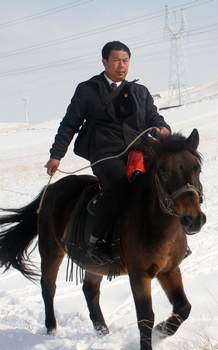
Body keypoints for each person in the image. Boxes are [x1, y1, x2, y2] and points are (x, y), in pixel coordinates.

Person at [45, 41, 171, 264]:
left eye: (125, 60)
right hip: (105, 153)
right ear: (104, 62)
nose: (121, 66)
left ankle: (172, 237)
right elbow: (69, 124)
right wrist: (57, 154)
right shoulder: (87, 90)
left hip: (139, 148)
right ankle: (97, 241)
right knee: (119, 184)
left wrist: (162, 128)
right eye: (116, 60)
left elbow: (153, 116)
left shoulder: (139, 91)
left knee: (167, 178)